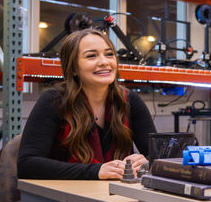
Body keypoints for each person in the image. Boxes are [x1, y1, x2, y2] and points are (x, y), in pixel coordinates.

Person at [18, 28, 156, 180]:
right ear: (74, 68)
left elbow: (159, 155)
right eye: (91, 56)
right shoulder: (53, 101)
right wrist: (96, 171)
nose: (104, 62)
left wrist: (148, 162)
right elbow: (27, 165)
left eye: (109, 54)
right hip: (65, 198)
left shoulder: (129, 101)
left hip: (117, 196)